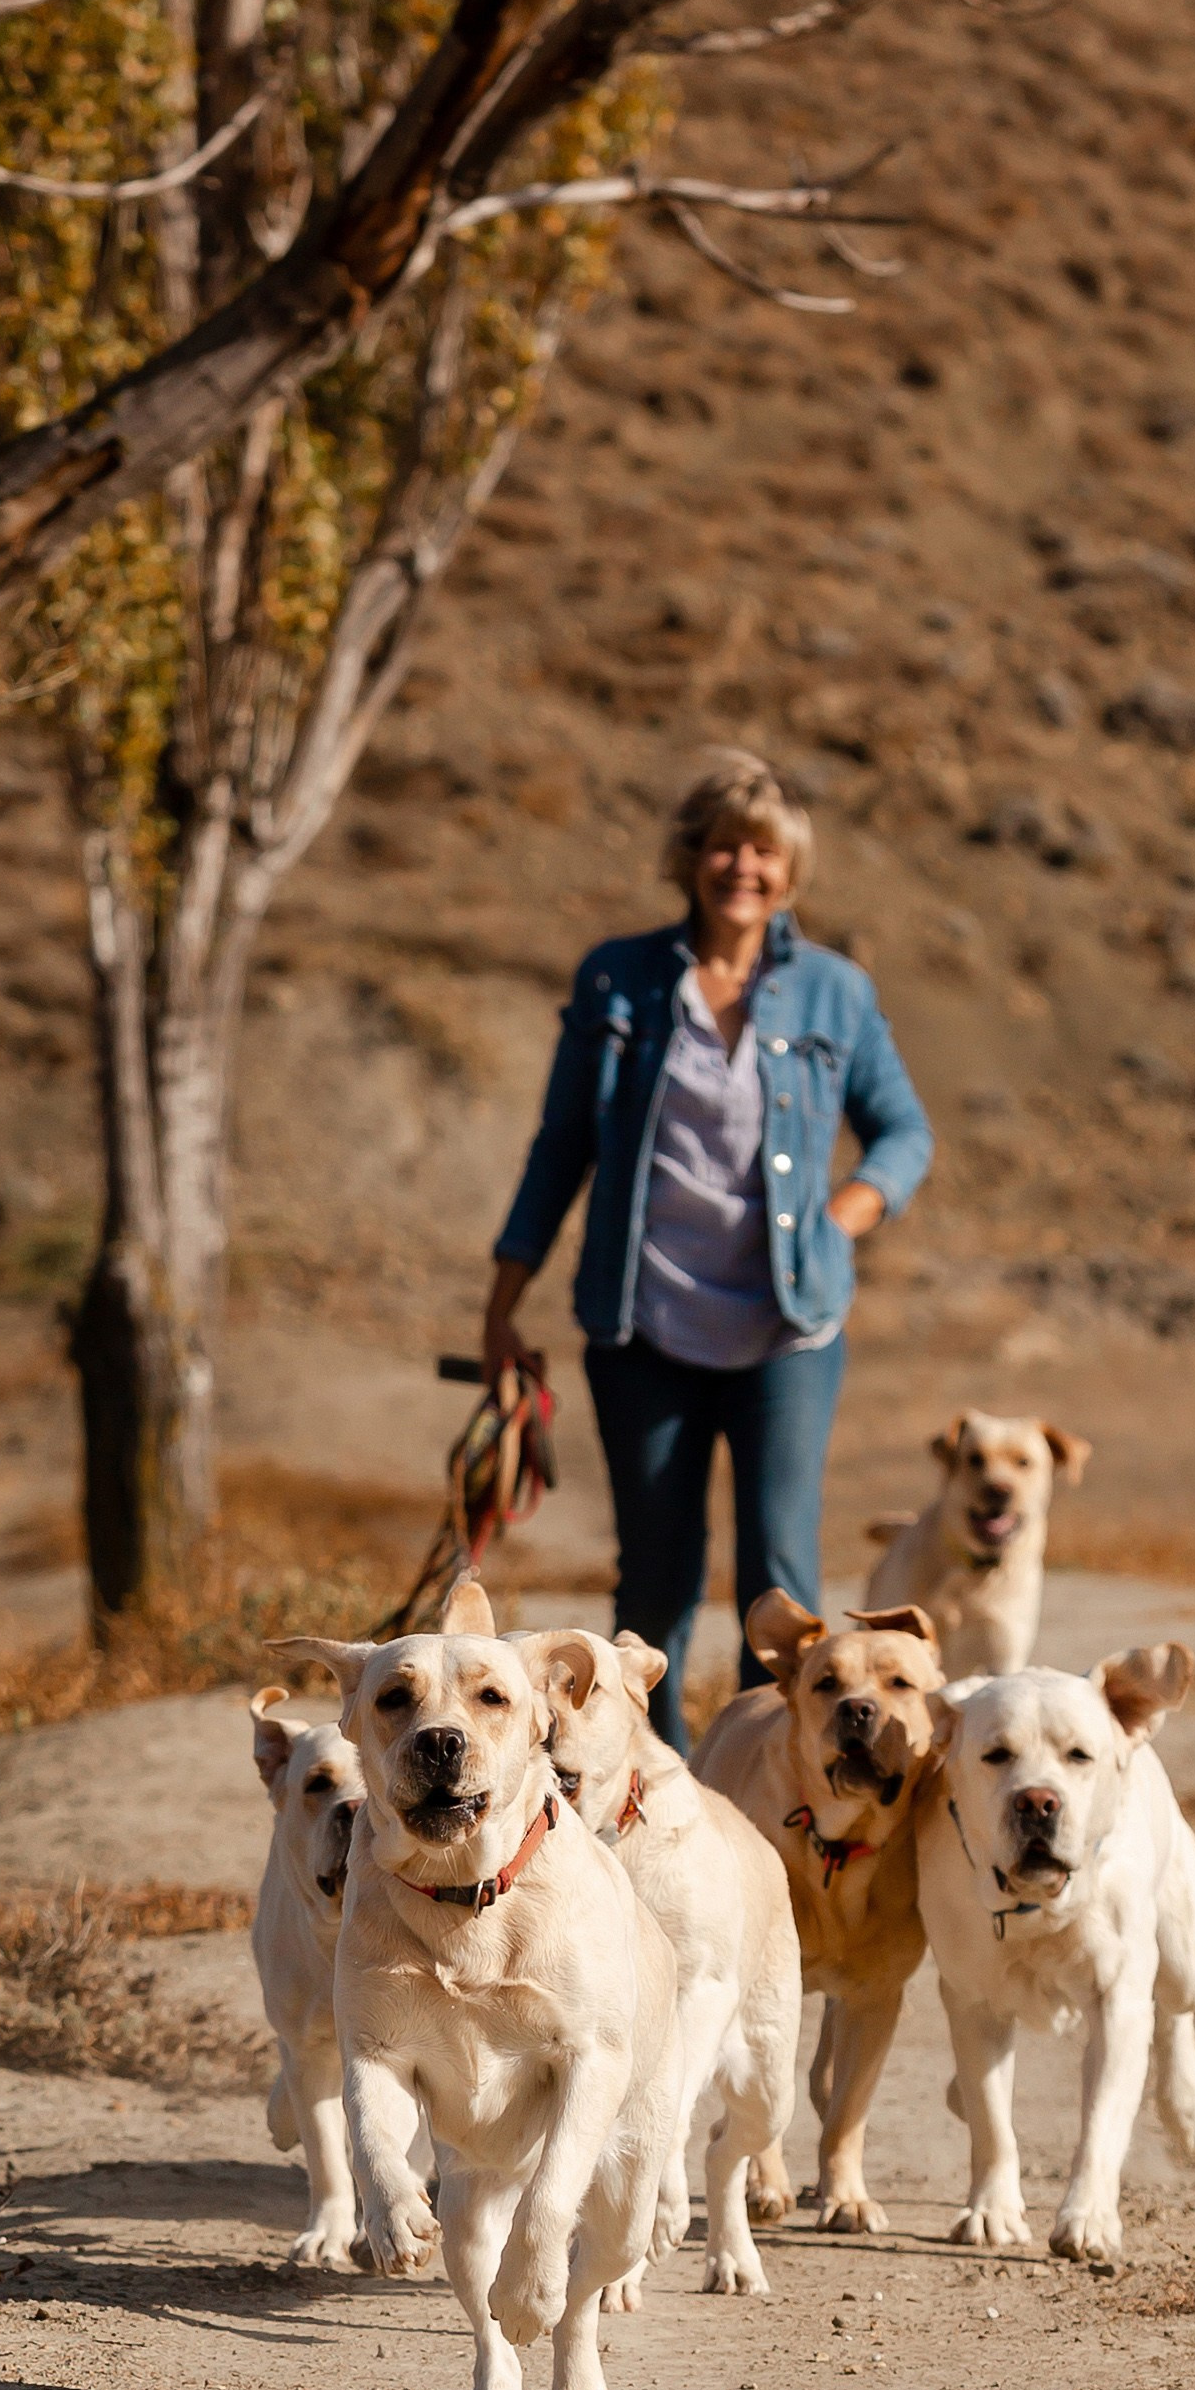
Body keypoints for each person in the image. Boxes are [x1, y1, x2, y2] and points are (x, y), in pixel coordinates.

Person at [483, 749, 934, 1753]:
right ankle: (650, 1782)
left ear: (791, 871)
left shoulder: (834, 993)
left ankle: (777, 1777)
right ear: (691, 858)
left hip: (789, 1324)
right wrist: (504, 1295)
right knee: (656, 1580)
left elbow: (905, 1131)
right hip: (644, 1323)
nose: (744, 867)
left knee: (780, 1575)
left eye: (765, 851)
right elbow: (562, 1145)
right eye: (726, 845)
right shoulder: (621, 979)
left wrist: (846, 1214)